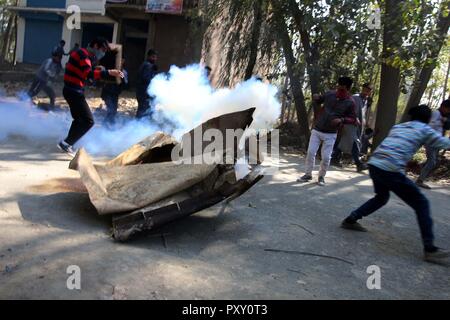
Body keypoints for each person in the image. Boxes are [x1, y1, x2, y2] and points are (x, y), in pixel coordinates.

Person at [341, 105, 450, 263]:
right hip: (390, 169)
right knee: (422, 203)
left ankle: (351, 219)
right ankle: (430, 249)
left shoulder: (398, 126)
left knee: (381, 197)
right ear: (427, 119)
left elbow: (398, 146)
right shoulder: (425, 130)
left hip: (375, 164)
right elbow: (444, 143)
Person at [58, 37, 124, 156]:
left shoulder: (83, 55)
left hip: (71, 90)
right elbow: (88, 74)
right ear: (95, 47)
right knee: (88, 121)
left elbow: (86, 72)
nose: (103, 53)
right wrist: (109, 72)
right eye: (102, 50)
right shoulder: (83, 55)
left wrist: (98, 70)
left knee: (79, 120)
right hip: (74, 92)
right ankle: (66, 143)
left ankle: (67, 143)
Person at [298, 76, 357, 186]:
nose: (338, 91)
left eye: (342, 89)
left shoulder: (350, 102)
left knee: (325, 157)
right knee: (311, 152)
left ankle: (321, 177)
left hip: (331, 134)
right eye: (338, 87)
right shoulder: (330, 94)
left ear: (347, 89)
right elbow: (319, 100)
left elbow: (353, 119)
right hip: (317, 129)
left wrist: (342, 119)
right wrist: (316, 97)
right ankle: (308, 174)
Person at [331, 83, 372, 172]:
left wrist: (365, 122)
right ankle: (358, 164)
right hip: (349, 123)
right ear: (362, 89)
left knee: (345, 142)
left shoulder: (365, 100)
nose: (366, 92)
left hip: (357, 126)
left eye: (368, 91)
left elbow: (362, 113)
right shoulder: (355, 97)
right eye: (365, 89)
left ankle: (334, 158)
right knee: (354, 143)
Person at [416, 100, 450, 189]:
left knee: (434, 161)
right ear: (443, 107)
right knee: (432, 161)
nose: (448, 111)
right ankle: (420, 180)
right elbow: (430, 125)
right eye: (448, 109)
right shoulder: (436, 113)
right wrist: (441, 121)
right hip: (431, 140)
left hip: (436, 141)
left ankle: (421, 174)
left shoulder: (443, 116)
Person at [101, 58, 129, 126]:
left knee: (113, 110)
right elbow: (104, 78)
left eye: (122, 60)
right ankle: (107, 125)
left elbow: (125, 84)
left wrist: (121, 74)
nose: (120, 62)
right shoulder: (111, 70)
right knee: (111, 110)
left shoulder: (123, 72)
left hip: (115, 94)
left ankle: (109, 125)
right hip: (107, 93)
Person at [136, 49, 158, 119]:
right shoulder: (147, 65)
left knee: (143, 112)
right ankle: (137, 127)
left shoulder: (147, 65)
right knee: (143, 113)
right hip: (144, 94)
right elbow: (146, 79)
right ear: (148, 56)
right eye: (153, 57)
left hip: (143, 93)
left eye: (155, 57)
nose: (154, 59)